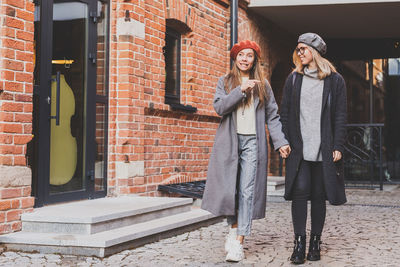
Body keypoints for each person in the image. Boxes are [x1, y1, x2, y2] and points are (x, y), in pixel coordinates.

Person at [201, 40, 291, 262]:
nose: (244, 59)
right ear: (235, 58)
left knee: (247, 191)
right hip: (229, 143)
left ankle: (239, 241)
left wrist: (280, 142)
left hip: (253, 143)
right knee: (229, 190)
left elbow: (272, 116)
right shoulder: (225, 81)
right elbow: (219, 107)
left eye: (249, 56)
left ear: (255, 60)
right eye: (241, 55)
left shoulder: (264, 85)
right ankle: (233, 229)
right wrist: (240, 90)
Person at [280, 33, 347, 264]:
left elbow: (340, 115)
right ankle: (299, 243)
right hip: (299, 149)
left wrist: (338, 144)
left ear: (315, 52)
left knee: (319, 195)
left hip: (324, 148)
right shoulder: (294, 79)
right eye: (297, 49)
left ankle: (315, 242)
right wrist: (284, 141)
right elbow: (285, 112)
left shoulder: (335, 80)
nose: (299, 53)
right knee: (300, 193)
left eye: (303, 49)